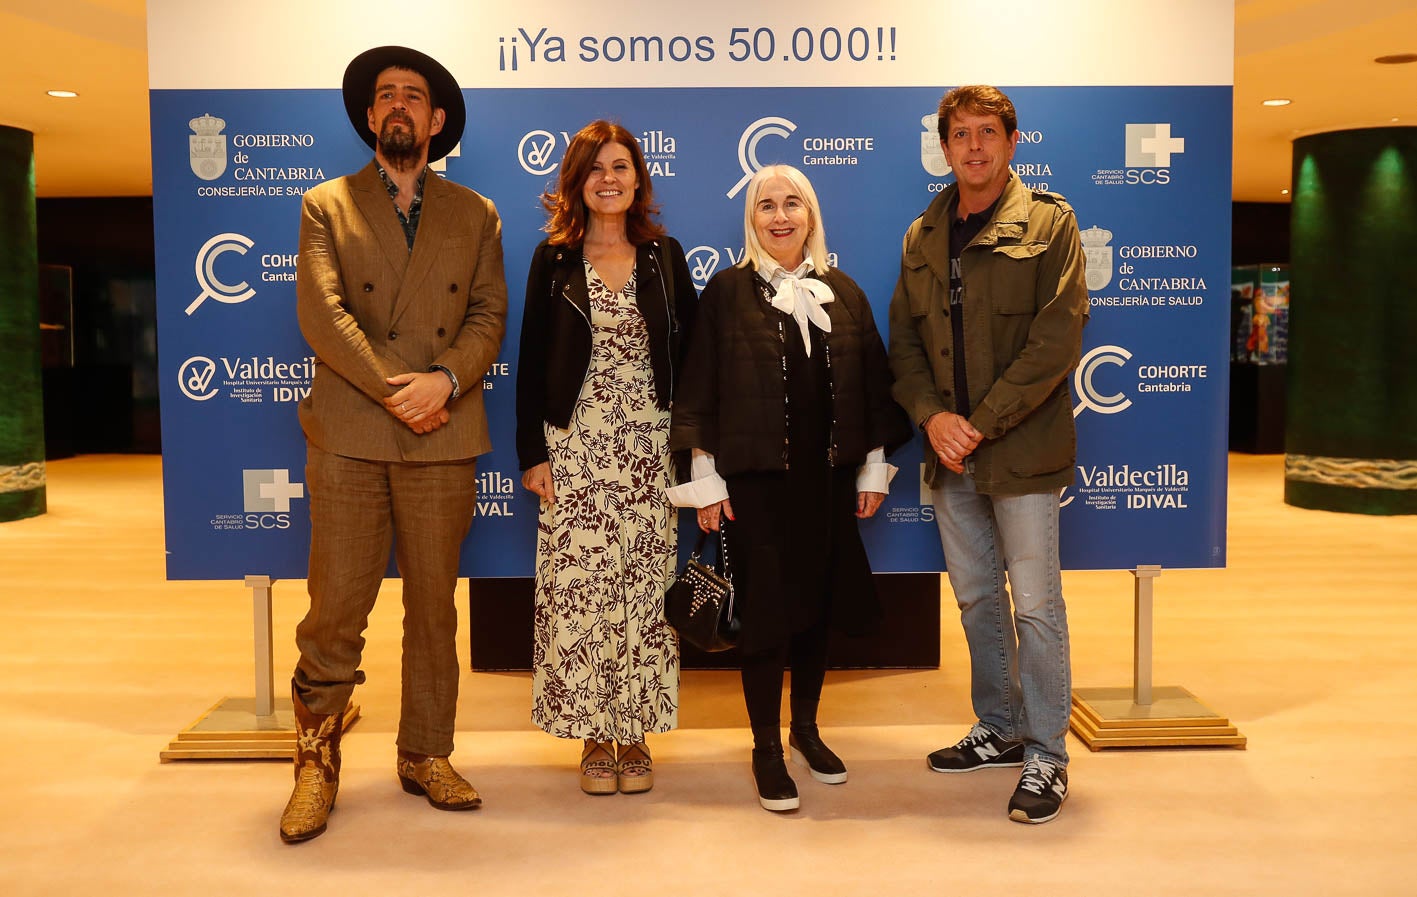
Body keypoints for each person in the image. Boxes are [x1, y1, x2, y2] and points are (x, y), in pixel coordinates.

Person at [280, 46, 508, 843]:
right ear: (370, 116)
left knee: (433, 608)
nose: (400, 106)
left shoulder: (476, 212)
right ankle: (315, 764)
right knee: (337, 605)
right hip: (351, 430)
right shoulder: (325, 204)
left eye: (414, 96)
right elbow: (322, 313)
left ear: (436, 120)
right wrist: (397, 390)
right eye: (386, 96)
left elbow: (487, 314)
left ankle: (426, 753)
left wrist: (443, 380)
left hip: (443, 430)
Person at [670, 164, 909, 812]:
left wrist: (871, 469)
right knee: (765, 619)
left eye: (792, 204)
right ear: (750, 219)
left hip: (826, 482)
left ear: (811, 215)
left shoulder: (843, 292)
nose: (780, 217)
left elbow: (872, 388)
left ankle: (805, 728)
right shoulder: (726, 292)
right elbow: (698, 390)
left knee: (815, 611)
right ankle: (766, 748)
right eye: (766, 205)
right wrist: (705, 480)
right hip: (754, 484)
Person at [887, 85, 1088, 824]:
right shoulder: (922, 235)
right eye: (960, 134)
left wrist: (979, 421)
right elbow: (904, 344)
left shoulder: (1050, 223)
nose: (973, 146)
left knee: (1035, 605)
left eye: (987, 132)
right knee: (976, 598)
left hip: (1021, 449)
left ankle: (1047, 753)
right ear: (944, 147)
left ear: (1011, 142)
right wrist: (932, 416)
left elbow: (1056, 340)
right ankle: (1000, 727)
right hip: (950, 454)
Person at [516, 120, 696, 795]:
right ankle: (594, 734)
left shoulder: (664, 256)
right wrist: (532, 452)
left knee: (644, 589)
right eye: (595, 168)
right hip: (575, 447)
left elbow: (691, 359)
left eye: (620, 166)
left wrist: (694, 448)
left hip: (650, 446)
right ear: (577, 181)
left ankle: (636, 731)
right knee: (581, 592)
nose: (609, 179)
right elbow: (531, 360)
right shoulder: (553, 260)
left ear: (638, 179)